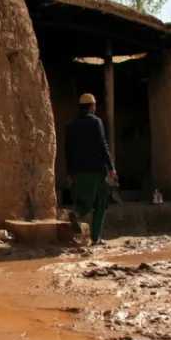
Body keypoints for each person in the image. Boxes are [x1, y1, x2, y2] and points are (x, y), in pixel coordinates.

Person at [65, 93, 117, 246]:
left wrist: (70, 172)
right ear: (92, 106)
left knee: (83, 202)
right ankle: (96, 238)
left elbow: (68, 150)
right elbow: (103, 146)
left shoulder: (70, 126)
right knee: (100, 203)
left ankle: (76, 213)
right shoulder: (96, 122)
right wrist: (111, 167)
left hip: (78, 171)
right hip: (96, 171)